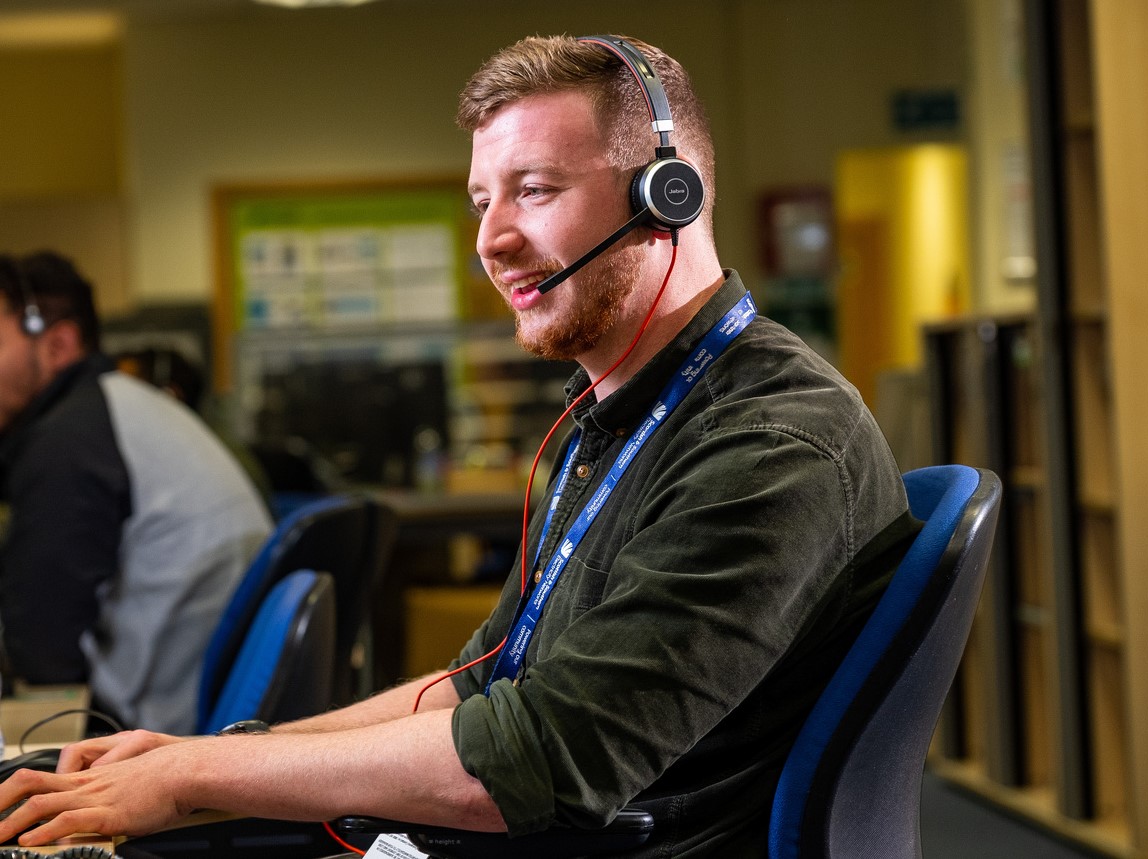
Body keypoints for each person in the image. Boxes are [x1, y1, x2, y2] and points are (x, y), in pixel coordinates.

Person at [0, 36, 917, 857]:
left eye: (534, 190)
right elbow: (478, 685)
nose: (491, 240)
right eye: (482, 200)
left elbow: (537, 756)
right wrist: (215, 755)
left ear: (665, 195)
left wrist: (197, 780)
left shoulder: (767, 441)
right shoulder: (618, 416)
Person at [0, 251, 273, 735]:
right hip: (195, 710)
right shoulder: (124, 406)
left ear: (58, 344)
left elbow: (42, 649)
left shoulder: (67, 442)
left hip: (142, 735)